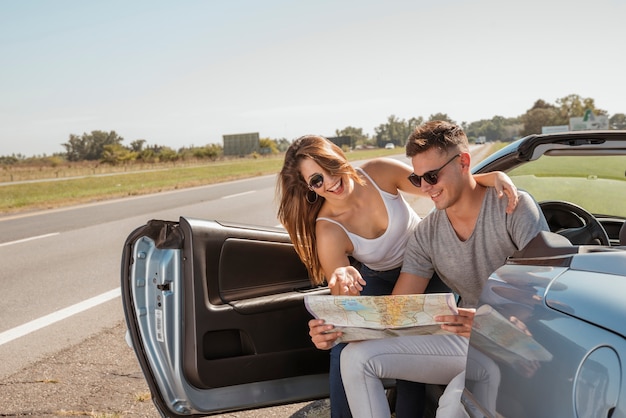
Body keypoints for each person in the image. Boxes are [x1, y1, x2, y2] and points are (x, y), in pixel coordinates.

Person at [277, 134, 519, 418]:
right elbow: (346, 305)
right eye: (317, 180)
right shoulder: (328, 229)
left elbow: (438, 185)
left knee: (419, 336)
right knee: (344, 343)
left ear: (338, 156)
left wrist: (494, 177)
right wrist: (343, 277)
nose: (329, 181)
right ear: (310, 189)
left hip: (431, 264)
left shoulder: (379, 172)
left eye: (329, 166)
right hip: (380, 279)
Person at [321, 121, 550, 418]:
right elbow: (398, 312)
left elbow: (545, 292)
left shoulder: (513, 206)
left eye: (432, 175)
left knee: (452, 409)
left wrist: (488, 324)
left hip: (518, 342)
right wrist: (336, 329)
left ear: (464, 162)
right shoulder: (426, 234)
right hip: (467, 339)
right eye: (417, 180)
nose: (426, 188)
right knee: (353, 356)